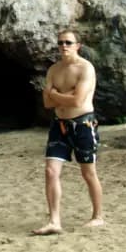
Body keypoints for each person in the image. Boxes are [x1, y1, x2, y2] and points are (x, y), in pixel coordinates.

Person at [32, 30, 104, 235]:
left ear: (78, 45)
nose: (64, 46)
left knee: (88, 173)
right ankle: (54, 221)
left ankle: (98, 216)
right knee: (50, 171)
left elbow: (78, 101)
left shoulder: (85, 69)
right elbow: (47, 103)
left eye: (68, 42)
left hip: (83, 125)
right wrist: (64, 96)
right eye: (61, 43)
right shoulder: (54, 70)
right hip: (59, 125)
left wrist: (55, 94)